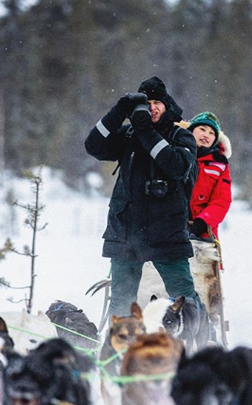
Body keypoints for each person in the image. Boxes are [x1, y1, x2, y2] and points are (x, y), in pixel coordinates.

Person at [85, 76, 202, 317]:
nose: (152, 107)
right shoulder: (128, 136)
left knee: (185, 299)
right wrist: (118, 112)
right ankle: (119, 352)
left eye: (157, 101)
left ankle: (198, 345)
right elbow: (93, 145)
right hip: (126, 232)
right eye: (146, 102)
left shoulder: (181, 136)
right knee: (121, 306)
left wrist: (146, 131)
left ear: (167, 105)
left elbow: (178, 166)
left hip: (167, 233)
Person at [187, 112, 232, 242]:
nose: (206, 135)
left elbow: (222, 200)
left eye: (212, 133)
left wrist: (202, 222)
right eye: (202, 129)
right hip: (171, 229)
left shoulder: (220, 164)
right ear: (191, 131)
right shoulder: (177, 154)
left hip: (205, 233)